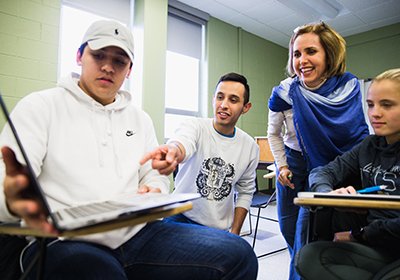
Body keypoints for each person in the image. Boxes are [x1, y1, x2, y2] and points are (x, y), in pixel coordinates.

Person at [0, 20, 258, 279]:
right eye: (98, 55)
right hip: (67, 239)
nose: (107, 67)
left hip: (139, 233)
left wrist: (154, 190)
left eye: (119, 61)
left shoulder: (139, 119)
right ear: (79, 56)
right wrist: (13, 197)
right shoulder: (40, 107)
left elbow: (155, 177)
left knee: (239, 255)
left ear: (130, 70)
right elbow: (7, 189)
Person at [267, 22, 370, 279]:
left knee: (313, 232)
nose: (302, 60)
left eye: (311, 52)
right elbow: (273, 133)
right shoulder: (285, 91)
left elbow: (356, 136)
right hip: (294, 164)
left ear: (329, 54)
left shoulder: (347, 88)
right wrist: (282, 165)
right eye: (297, 54)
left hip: (333, 167)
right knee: (290, 230)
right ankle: (299, 265)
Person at [295, 68, 400, 279]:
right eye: (370, 105)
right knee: (308, 257)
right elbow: (323, 171)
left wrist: (358, 235)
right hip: (378, 247)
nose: (375, 113)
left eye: (386, 105)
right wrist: (328, 193)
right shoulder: (369, 146)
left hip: (382, 240)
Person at [140, 72, 259, 235]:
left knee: (241, 254)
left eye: (233, 100)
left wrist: (235, 233)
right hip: (178, 215)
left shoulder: (250, 147)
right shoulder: (195, 126)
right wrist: (174, 150)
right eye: (220, 97)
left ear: (246, 107)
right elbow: (183, 142)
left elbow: (246, 192)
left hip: (217, 227)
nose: (223, 105)